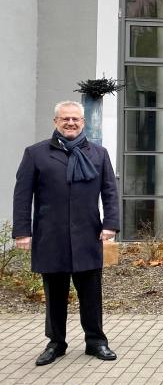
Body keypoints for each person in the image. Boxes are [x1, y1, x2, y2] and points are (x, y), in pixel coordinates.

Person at [12, 100, 119, 366]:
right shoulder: (35, 154)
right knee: (55, 295)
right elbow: (22, 196)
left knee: (91, 295)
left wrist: (110, 224)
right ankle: (56, 343)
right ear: (55, 122)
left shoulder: (98, 154)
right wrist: (22, 232)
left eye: (75, 119)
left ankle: (96, 341)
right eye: (65, 119)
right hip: (51, 237)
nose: (70, 123)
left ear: (83, 122)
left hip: (88, 235)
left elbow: (109, 192)